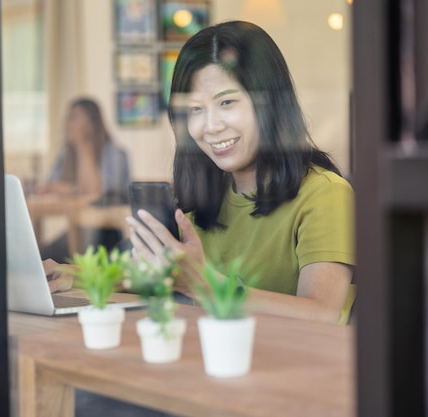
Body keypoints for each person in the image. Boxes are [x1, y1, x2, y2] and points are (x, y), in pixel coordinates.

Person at [123, 20, 354, 324]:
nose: (211, 126)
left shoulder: (325, 194)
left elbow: (322, 313)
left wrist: (206, 284)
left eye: (227, 102)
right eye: (195, 109)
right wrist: (73, 276)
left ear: (270, 104)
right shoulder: (200, 203)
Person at [37, 97, 130, 263]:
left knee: (54, 255)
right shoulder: (66, 154)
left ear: (91, 123)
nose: (68, 123)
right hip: (79, 229)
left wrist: (83, 146)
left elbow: (98, 193)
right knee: (43, 255)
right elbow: (49, 185)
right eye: (68, 118)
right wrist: (75, 190)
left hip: (106, 231)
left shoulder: (115, 154)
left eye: (74, 117)